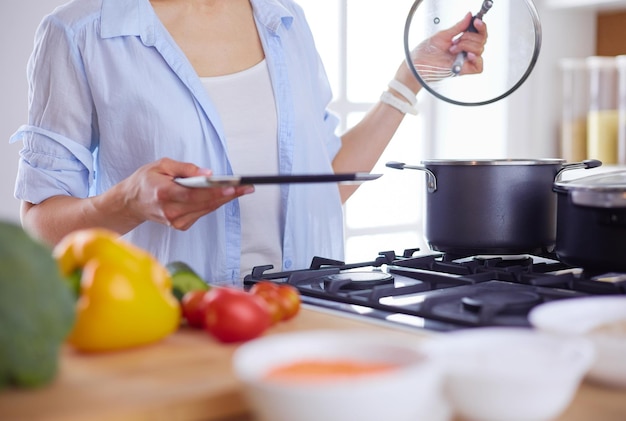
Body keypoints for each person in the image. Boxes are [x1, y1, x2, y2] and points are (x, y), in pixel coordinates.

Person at [10, 0, 487, 285]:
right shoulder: (80, 31)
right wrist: (127, 202)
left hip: (306, 316)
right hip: (166, 329)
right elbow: (40, 228)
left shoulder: (285, 19)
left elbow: (321, 186)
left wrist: (411, 77)